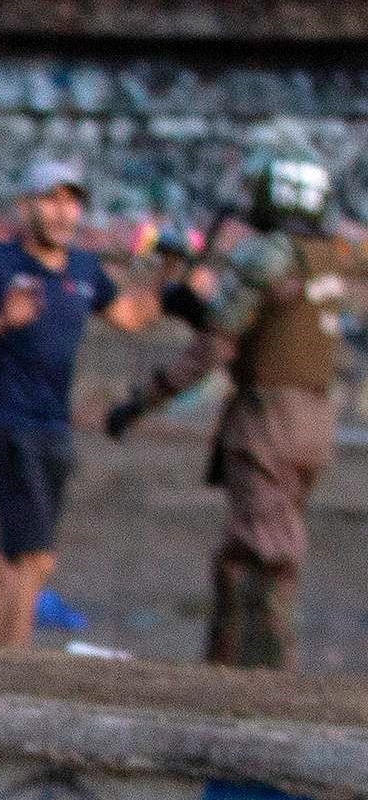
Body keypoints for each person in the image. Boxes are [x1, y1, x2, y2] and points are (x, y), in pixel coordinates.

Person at [107, 150, 365, 668]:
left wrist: (139, 402)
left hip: (268, 418)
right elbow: (269, 327)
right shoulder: (335, 256)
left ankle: (266, 681)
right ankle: (225, 670)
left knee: (264, 553)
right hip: (314, 420)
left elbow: (217, 347)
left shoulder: (270, 257)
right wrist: (198, 310)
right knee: (250, 549)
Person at [0, 158, 155, 647]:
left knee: (18, 556)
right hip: (4, 424)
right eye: (49, 200)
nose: (61, 212)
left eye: (71, 201)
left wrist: (176, 285)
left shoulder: (85, 269)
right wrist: (2, 321)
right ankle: (15, 668)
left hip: (55, 428)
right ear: (25, 207)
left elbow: (132, 317)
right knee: (34, 556)